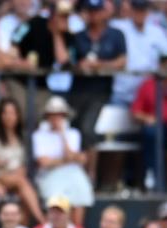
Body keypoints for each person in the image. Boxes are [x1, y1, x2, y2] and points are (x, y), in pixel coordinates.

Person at [70, 0, 126, 179]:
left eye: (96, 11)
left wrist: (99, 65)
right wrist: (81, 65)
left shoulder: (115, 35)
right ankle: (75, 173)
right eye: (90, 11)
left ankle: (90, 175)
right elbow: (68, 61)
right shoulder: (78, 36)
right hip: (78, 90)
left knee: (87, 129)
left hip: (101, 91)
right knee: (72, 126)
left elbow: (122, 62)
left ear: (103, 12)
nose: (93, 15)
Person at [131, 52, 167, 190]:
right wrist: (147, 118)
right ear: (159, 64)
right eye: (165, 62)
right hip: (159, 127)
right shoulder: (148, 85)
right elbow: (135, 112)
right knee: (151, 133)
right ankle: (154, 178)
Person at [32, 96, 94, 226]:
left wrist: (62, 135)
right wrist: (68, 160)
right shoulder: (38, 135)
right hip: (50, 176)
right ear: (47, 116)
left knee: (78, 201)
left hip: (73, 174)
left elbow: (74, 156)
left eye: (59, 115)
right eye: (53, 115)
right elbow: (44, 162)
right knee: (59, 207)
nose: (56, 119)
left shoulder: (73, 133)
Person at [7, 0, 75, 119]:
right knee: (22, 114)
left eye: (66, 16)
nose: (64, 19)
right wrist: (19, 62)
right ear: (52, 15)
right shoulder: (34, 23)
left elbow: (63, 60)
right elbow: (15, 40)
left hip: (42, 83)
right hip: (20, 80)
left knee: (43, 116)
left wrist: (56, 34)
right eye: (61, 16)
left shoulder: (67, 35)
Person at [0, 98, 45, 224]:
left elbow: (25, 164)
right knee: (22, 182)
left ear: (18, 116)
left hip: (17, 179)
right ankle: (43, 221)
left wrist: (21, 170)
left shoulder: (23, 138)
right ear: (0, 115)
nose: (9, 117)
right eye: (5, 113)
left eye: (12, 113)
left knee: (23, 194)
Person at [110, 0, 167, 107]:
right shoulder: (117, 27)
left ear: (148, 12)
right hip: (120, 92)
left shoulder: (157, 32)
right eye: (137, 10)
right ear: (131, 10)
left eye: (143, 10)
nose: (140, 13)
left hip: (148, 94)